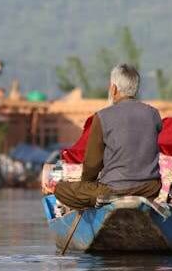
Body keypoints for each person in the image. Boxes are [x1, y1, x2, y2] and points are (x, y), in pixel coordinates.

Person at [54, 64, 162, 209]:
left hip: (114, 190)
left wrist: (87, 185)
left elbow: (92, 164)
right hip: (149, 189)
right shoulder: (153, 114)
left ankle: (105, 201)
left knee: (60, 189)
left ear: (114, 89)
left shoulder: (102, 116)